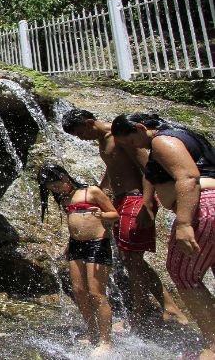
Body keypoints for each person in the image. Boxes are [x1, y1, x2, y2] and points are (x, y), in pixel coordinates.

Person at [62, 109, 187, 329]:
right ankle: (167, 307)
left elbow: (148, 167)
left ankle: (143, 315)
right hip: (122, 199)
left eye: (80, 133)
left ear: (90, 122)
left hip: (135, 199)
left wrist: (147, 205)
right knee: (131, 260)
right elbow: (114, 167)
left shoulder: (120, 136)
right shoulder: (104, 139)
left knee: (132, 260)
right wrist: (101, 188)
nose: (81, 138)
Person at [111, 113, 215, 360]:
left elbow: (188, 177)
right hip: (210, 203)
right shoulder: (183, 134)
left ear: (139, 128)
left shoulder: (162, 140)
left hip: (203, 207)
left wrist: (184, 222)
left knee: (183, 273)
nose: (132, 148)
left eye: (129, 141)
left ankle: (212, 346)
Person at [37, 164, 120, 357]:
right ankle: (92, 332)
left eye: (58, 184)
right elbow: (73, 225)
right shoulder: (65, 199)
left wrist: (103, 215)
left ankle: (106, 341)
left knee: (96, 294)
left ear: (65, 176)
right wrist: (66, 247)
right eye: (52, 188)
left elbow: (114, 214)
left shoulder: (91, 192)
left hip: (97, 244)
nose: (58, 189)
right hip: (76, 246)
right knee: (78, 291)